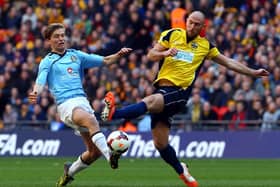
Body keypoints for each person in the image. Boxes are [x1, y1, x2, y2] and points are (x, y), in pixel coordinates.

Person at [101, 11, 269, 187]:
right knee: (160, 144)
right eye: (190, 22)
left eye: (197, 24)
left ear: (203, 27)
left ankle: (113, 113)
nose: (192, 26)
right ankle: (183, 172)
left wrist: (252, 72)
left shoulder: (206, 46)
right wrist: (165, 53)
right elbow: (151, 55)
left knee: (150, 102)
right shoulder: (172, 34)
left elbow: (228, 62)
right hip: (163, 90)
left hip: (179, 93)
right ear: (186, 21)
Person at [28, 23, 132, 187]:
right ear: (49, 40)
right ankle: (110, 155)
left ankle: (68, 173)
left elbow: (105, 60)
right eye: (57, 36)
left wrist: (119, 54)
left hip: (83, 102)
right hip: (67, 105)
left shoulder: (76, 55)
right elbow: (40, 80)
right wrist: (35, 93)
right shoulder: (47, 61)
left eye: (63, 35)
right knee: (91, 121)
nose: (61, 38)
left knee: (93, 152)